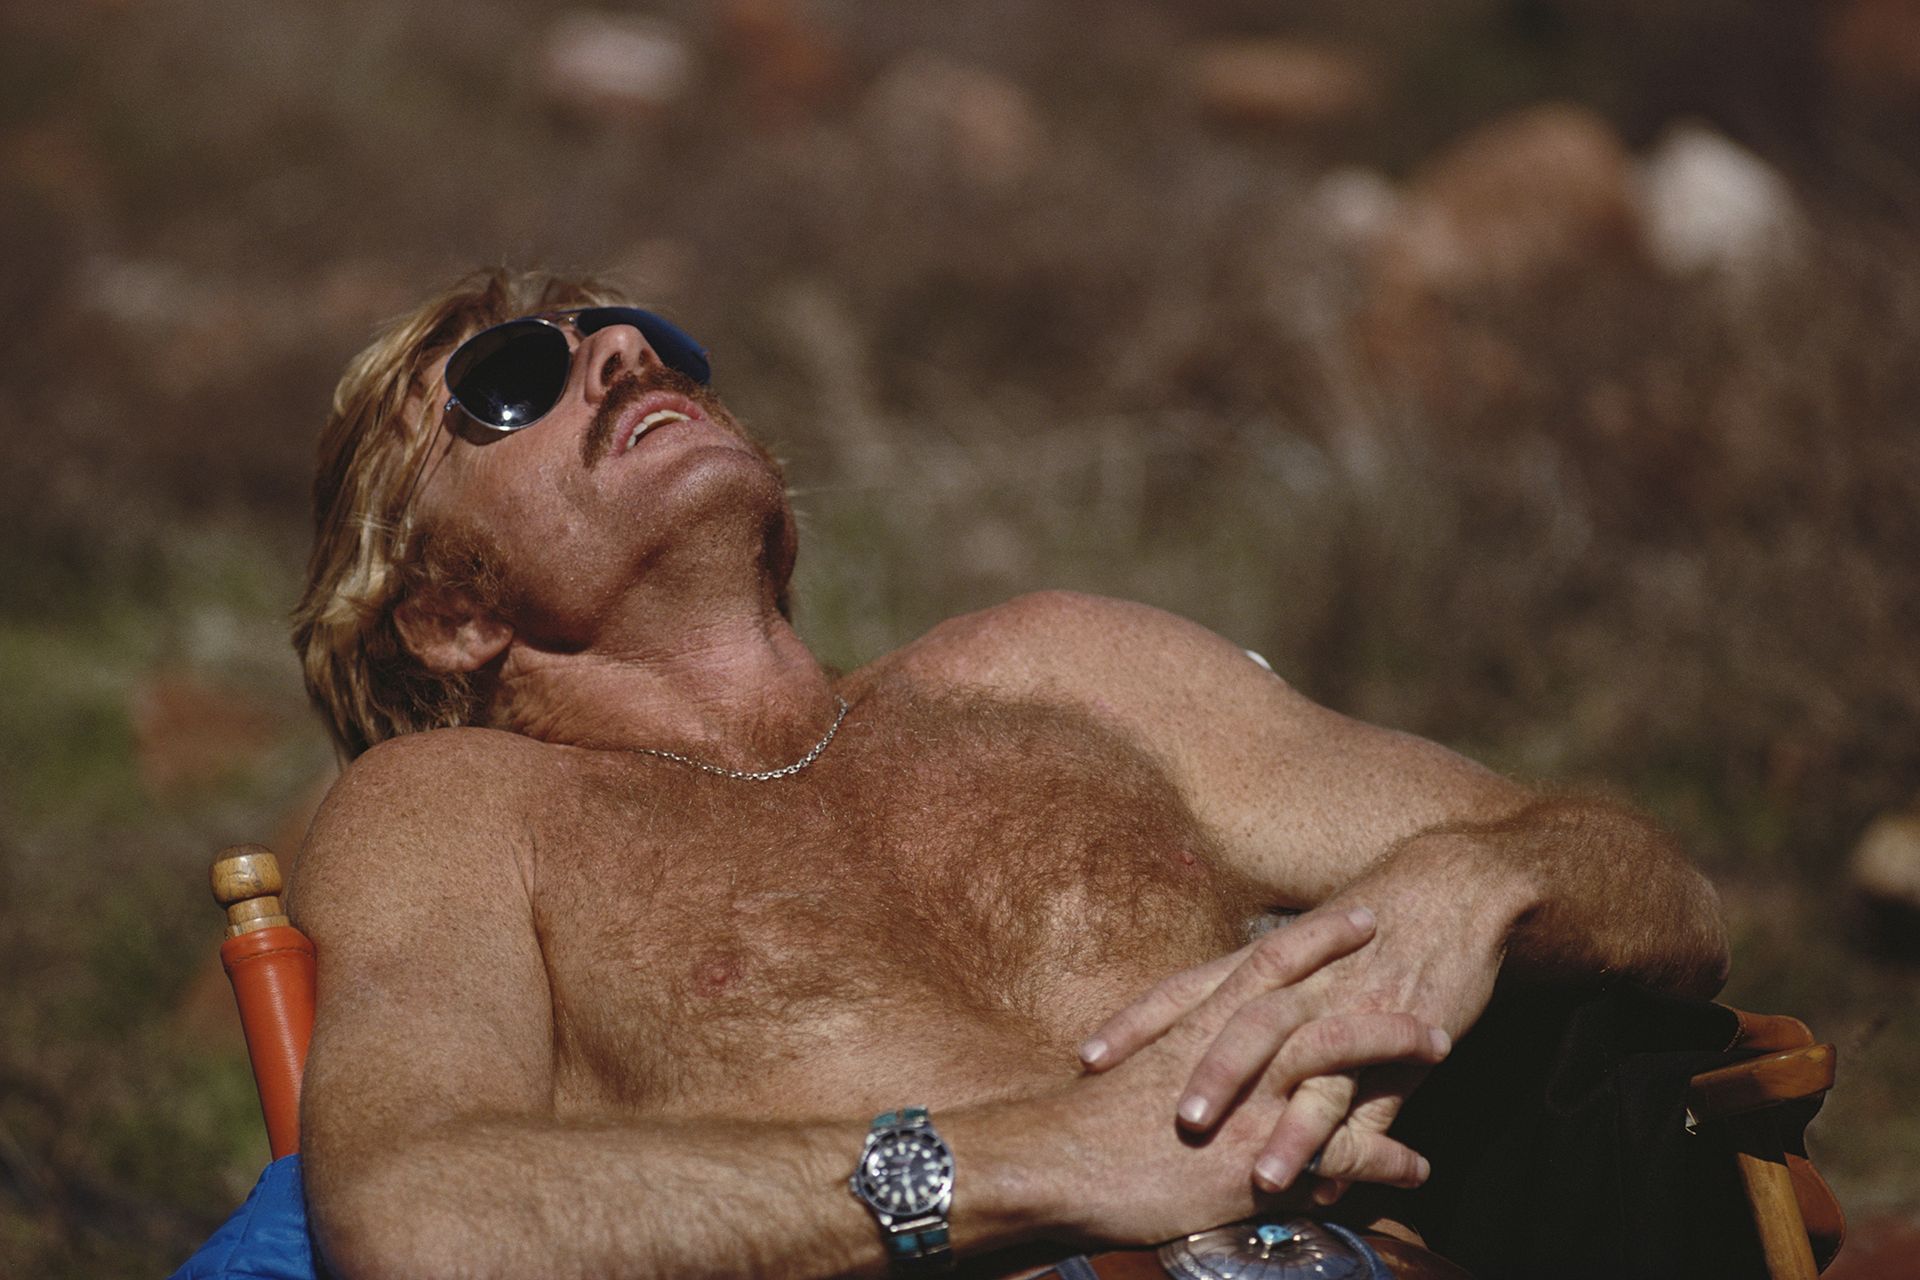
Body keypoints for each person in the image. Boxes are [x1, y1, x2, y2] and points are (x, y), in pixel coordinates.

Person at [284, 267, 1729, 1280]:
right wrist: (1050, 1162)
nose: (621, 352)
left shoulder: (1060, 667)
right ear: (447, 613)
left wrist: (1473, 885)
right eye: (513, 381)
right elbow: (419, 1213)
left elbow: (1671, 903)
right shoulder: (457, 811)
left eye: (640, 332)